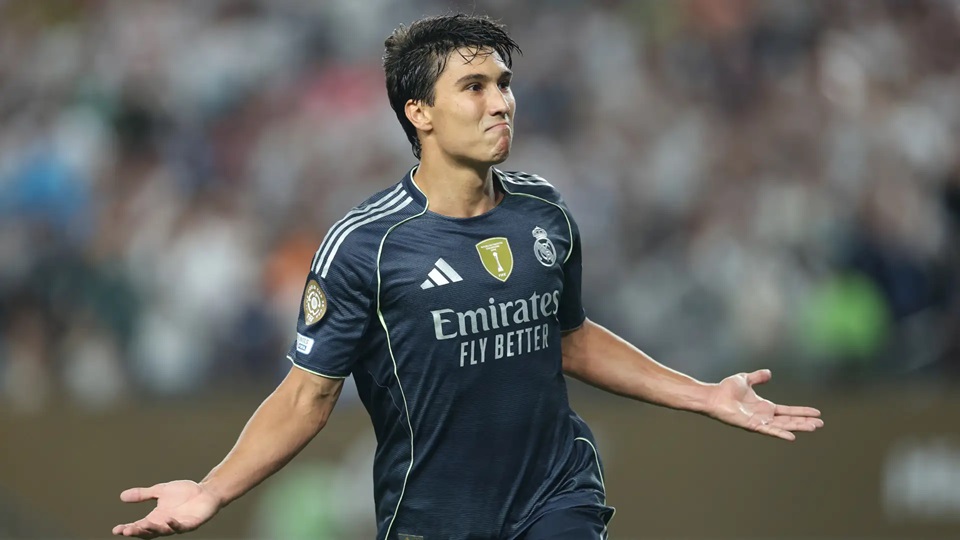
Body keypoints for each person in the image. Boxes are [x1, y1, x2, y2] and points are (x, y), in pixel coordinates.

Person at [113, 13, 823, 540]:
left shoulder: (545, 211)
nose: (501, 102)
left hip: (557, 495)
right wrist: (211, 490)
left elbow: (570, 340)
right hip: (432, 517)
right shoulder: (365, 245)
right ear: (418, 112)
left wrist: (704, 394)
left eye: (504, 84)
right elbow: (306, 397)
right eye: (474, 87)